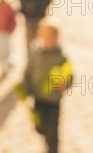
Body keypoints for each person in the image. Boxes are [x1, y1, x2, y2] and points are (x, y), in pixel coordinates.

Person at [23, 19, 72, 153]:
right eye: (46, 36)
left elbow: (70, 76)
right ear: (39, 35)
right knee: (40, 128)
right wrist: (25, 89)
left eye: (52, 37)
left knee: (53, 131)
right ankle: (46, 138)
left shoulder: (61, 57)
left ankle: (53, 149)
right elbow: (28, 72)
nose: (49, 40)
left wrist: (65, 84)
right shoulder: (35, 53)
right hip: (38, 98)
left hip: (53, 100)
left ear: (57, 38)